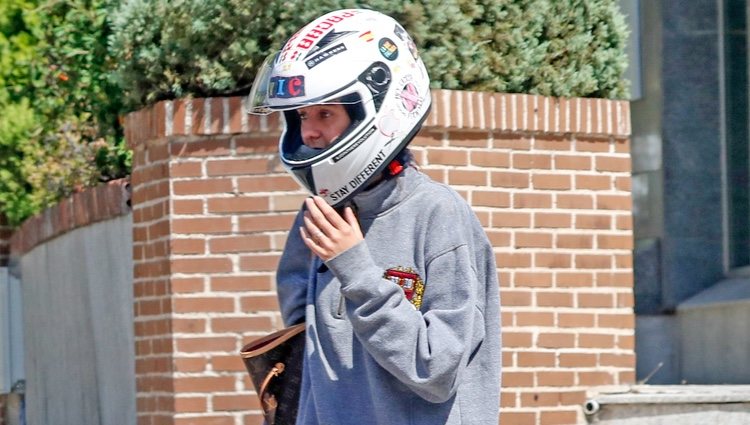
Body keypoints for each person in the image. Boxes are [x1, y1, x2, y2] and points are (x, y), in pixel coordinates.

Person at [248, 8, 501, 425]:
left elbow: (436, 370)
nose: (308, 132)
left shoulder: (437, 215)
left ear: (377, 109)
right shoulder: (319, 213)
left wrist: (357, 271)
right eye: (300, 116)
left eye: (325, 114)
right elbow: (308, 350)